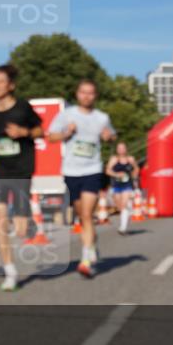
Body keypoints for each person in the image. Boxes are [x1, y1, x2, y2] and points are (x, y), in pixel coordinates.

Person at [0, 64, 43, 291]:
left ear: (11, 85)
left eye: (1, 81)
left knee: (20, 231)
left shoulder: (23, 108)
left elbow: (41, 131)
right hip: (0, 172)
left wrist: (24, 133)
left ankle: (25, 220)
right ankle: (10, 271)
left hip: (22, 170)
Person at [47, 79, 115, 279]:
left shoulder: (102, 117)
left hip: (93, 169)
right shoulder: (66, 115)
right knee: (81, 214)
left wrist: (108, 136)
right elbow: (50, 137)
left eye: (91, 93)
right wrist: (66, 133)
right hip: (71, 170)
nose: (87, 96)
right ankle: (92, 243)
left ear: (95, 96)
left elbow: (111, 135)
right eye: (83, 92)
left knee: (86, 214)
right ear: (77, 94)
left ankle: (85, 259)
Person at [104, 142, 138, 235]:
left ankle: (123, 227)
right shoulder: (114, 159)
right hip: (116, 185)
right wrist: (117, 174)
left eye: (123, 148)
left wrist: (134, 177)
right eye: (119, 148)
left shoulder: (130, 159)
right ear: (117, 150)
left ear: (126, 149)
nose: (121, 150)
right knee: (119, 207)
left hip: (127, 184)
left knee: (123, 204)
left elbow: (136, 169)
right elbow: (107, 170)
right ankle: (127, 213)